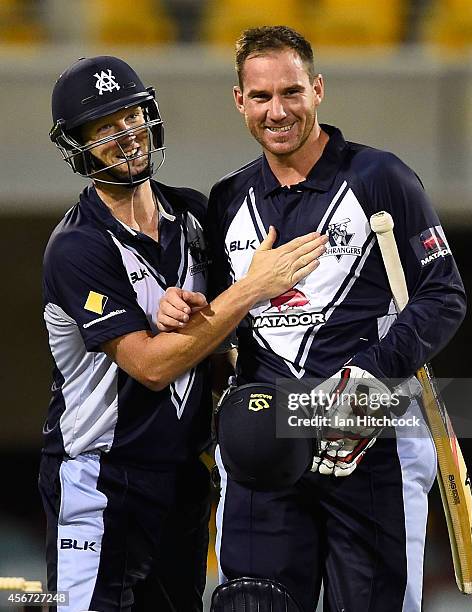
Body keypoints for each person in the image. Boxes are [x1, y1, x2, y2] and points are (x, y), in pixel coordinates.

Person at [180, 26, 466, 612]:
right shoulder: (227, 198)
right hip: (265, 436)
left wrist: (368, 375)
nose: (277, 111)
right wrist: (181, 309)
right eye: (260, 97)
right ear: (240, 101)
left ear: (317, 90)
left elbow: (443, 294)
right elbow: (219, 320)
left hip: (372, 437)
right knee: (251, 604)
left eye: (291, 92)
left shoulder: (379, 177)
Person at [38, 55, 327, 612]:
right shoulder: (78, 247)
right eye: (105, 128)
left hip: (183, 482)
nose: (126, 137)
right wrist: (249, 289)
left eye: (132, 117)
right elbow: (150, 366)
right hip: (100, 483)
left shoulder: (193, 214)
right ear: (78, 146)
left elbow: (220, 334)